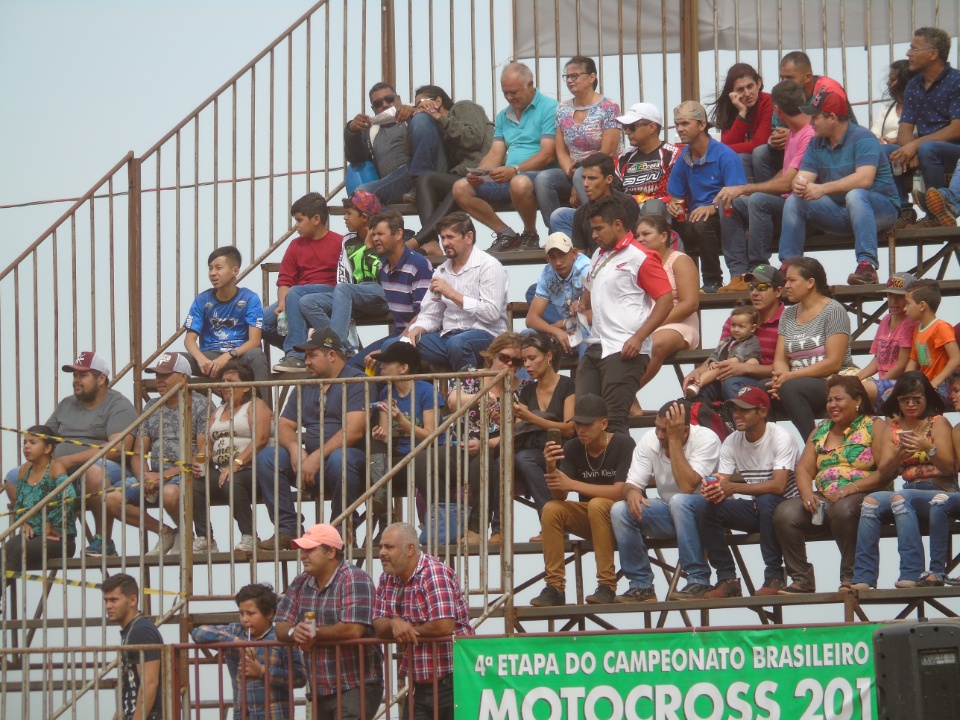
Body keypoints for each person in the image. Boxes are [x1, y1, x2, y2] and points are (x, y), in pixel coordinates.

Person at [255, 327, 367, 551]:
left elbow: (353, 431)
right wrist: (296, 448)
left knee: (340, 459)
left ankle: (340, 527)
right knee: (268, 457)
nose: (306, 362)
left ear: (332, 355)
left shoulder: (356, 380)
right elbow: (285, 424)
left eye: (312, 355)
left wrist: (316, 456)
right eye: (306, 356)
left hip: (350, 460)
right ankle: (287, 528)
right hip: (311, 461)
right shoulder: (306, 384)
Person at [774, 376, 887, 593]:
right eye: (829, 400)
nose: (832, 405)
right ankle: (802, 579)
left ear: (857, 400)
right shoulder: (821, 430)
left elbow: (884, 472)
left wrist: (852, 488)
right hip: (827, 498)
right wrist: (808, 494)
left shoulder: (874, 425)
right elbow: (804, 469)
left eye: (838, 399)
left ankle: (851, 576)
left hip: (864, 495)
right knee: (785, 512)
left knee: (844, 509)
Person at [779, 87, 899, 286]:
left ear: (832, 118)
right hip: (842, 213)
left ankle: (867, 266)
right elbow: (802, 177)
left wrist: (822, 189)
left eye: (815, 117)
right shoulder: (816, 142)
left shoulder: (863, 137)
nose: (811, 123)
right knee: (794, 200)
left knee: (856, 195)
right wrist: (799, 184)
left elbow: (864, 179)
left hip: (881, 210)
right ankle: (789, 266)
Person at [26, 352, 138, 559]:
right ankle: (36, 527)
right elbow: (44, 439)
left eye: (83, 375)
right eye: (74, 375)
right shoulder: (66, 404)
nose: (76, 380)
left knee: (92, 473)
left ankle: (103, 541)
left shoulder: (119, 405)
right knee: (15, 476)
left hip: (107, 469)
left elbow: (117, 448)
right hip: (61, 469)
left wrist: (68, 460)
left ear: (101, 378)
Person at [851, 372, 956, 590]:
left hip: (938, 489)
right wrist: (897, 456)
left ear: (927, 399)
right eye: (904, 400)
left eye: (917, 399)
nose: (910, 404)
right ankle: (864, 576)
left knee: (900, 498)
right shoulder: (895, 428)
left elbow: (949, 467)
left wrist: (928, 447)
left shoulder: (937, 424)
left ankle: (911, 572)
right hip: (909, 490)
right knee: (871, 503)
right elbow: (885, 471)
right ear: (897, 401)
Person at [576, 198, 672, 434]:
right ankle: (592, 472)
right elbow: (591, 285)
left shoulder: (641, 256)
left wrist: (639, 338)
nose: (594, 235)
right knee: (584, 418)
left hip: (626, 348)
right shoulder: (598, 253)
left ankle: (623, 472)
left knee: (615, 420)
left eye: (599, 228)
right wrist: (581, 303)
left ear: (617, 224)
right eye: (592, 229)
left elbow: (666, 299)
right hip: (597, 344)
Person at [529, 394, 635, 607]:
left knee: (597, 504)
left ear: (604, 423)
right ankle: (555, 587)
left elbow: (620, 492)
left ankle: (606, 586)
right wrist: (551, 467)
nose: (581, 430)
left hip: (624, 518)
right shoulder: (573, 447)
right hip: (593, 519)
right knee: (551, 508)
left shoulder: (623, 443)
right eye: (578, 424)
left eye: (587, 424)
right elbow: (560, 496)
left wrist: (573, 485)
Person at [610, 402, 722, 601]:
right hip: (670, 510)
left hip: (705, 511)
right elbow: (631, 483)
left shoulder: (706, 439)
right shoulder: (649, 440)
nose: (660, 435)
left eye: (666, 430)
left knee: (681, 501)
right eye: (658, 428)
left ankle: (698, 580)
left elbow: (687, 486)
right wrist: (633, 493)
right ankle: (641, 585)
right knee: (620, 510)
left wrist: (674, 440)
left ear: (684, 430)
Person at [698, 387, 800, 597]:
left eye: (744, 409)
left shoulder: (781, 437)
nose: (737, 415)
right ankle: (727, 578)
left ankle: (774, 576)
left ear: (762, 412)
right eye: (734, 409)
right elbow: (723, 481)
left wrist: (733, 487)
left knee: (767, 500)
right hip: (761, 508)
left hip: (791, 509)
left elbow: (779, 486)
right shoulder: (732, 441)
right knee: (705, 508)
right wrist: (713, 488)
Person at [106, 352, 210, 557]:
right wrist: (144, 477)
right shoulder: (152, 406)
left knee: (170, 494)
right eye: (157, 376)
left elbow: (202, 453)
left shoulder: (201, 404)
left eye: (165, 375)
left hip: (187, 474)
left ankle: (185, 534)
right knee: (111, 498)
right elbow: (138, 452)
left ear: (183, 377)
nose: (158, 381)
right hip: (153, 477)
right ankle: (166, 532)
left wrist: (164, 475)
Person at [276, 524, 383, 720]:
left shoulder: (355, 578)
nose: (303, 555)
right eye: (302, 550)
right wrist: (294, 632)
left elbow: (353, 629)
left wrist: (311, 633)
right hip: (321, 688)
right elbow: (281, 625)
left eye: (310, 549)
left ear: (331, 551)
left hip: (357, 685)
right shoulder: (300, 582)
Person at [714, 80, 816, 281]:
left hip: (805, 206)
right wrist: (743, 191)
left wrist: (745, 188)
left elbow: (789, 183)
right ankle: (738, 275)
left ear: (777, 110)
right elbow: (786, 173)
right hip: (786, 201)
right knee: (731, 202)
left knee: (759, 200)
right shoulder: (794, 131)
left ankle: (758, 269)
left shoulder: (809, 134)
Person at [452, 63, 559, 251]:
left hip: (539, 177)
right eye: (505, 93)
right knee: (461, 187)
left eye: (514, 92)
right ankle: (505, 233)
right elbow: (495, 153)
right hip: (509, 175)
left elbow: (548, 153)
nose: (509, 98)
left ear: (530, 85)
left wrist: (516, 170)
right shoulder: (503, 115)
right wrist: (479, 174)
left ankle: (530, 233)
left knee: (519, 182)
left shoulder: (550, 108)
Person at [373, 522, 474, 720]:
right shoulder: (387, 578)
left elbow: (444, 625)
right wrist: (394, 623)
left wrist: (406, 628)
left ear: (410, 549)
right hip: (421, 683)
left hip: (455, 680)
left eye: (389, 547)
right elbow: (378, 623)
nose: (382, 552)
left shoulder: (434, 573)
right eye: (381, 547)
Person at [383, 212, 508, 370]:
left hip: (487, 334)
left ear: (469, 237)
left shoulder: (489, 266)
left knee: (458, 344)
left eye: (450, 237)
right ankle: (422, 393)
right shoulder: (441, 271)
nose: (445, 243)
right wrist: (416, 330)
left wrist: (452, 294)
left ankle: (466, 392)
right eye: (442, 238)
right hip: (447, 336)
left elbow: (491, 313)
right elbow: (430, 314)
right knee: (400, 348)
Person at [369, 342, 454, 543]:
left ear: (404, 368)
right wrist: (381, 435)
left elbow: (430, 435)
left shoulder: (425, 391)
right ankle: (385, 515)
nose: (382, 367)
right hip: (404, 458)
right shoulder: (386, 393)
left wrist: (401, 421)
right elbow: (387, 435)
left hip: (430, 455)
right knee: (372, 450)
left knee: (419, 462)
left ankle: (433, 524)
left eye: (387, 363)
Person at [446, 332, 525, 544]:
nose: (509, 364)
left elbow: (520, 431)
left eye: (516, 361)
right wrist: (482, 394)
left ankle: (479, 529)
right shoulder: (470, 375)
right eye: (504, 358)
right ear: (492, 356)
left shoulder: (523, 388)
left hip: (497, 446)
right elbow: (453, 401)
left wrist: (484, 444)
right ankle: (438, 526)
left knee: (489, 460)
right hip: (459, 444)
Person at [666, 100, 748, 293]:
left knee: (702, 224)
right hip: (695, 216)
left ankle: (713, 281)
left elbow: (736, 196)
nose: (680, 129)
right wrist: (674, 205)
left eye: (685, 123)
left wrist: (712, 208)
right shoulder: (683, 158)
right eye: (677, 124)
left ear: (702, 125)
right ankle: (672, 283)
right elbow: (675, 196)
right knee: (663, 223)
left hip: (724, 218)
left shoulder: (725, 155)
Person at [297, 190, 390, 361]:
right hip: (352, 295)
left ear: (364, 217)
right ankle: (342, 345)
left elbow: (383, 275)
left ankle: (334, 347)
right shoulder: (348, 240)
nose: (345, 218)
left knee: (344, 289)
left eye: (349, 213)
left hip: (382, 294)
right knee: (307, 302)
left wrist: (369, 247)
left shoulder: (382, 237)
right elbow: (344, 276)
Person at [191, 583, 307, 720]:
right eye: (241, 613)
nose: (245, 619)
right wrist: (235, 642)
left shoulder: (281, 638)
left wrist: (262, 671)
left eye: (251, 613)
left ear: (269, 613)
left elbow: (299, 678)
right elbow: (198, 632)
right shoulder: (236, 632)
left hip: (276, 715)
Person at [768, 257, 854, 440]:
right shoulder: (788, 314)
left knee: (790, 388)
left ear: (810, 283)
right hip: (794, 382)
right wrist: (779, 379)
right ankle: (770, 453)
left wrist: (789, 377)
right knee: (757, 391)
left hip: (830, 380)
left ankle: (813, 445)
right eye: (786, 281)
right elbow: (781, 359)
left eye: (792, 280)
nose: (786, 286)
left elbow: (834, 362)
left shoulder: (833, 310)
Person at [193, 362, 271, 554]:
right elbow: (208, 446)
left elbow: (260, 439)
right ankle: (205, 538)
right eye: (222, 381)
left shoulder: (255, 406)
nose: (225, 385)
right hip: (223, 470)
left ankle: (249, 535)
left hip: (252, 469)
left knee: (231, 480)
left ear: (245, 386)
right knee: (193, 482)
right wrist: (200, 460)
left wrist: (236, 464)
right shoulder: (218, 412)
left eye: (231, 381)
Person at [407, 85, 495, 255]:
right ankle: (431, 242)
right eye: (416, 105)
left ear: (438, 101)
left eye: (422, 103)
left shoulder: (463, 107)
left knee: (444, 184)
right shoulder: (439, 130)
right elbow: (410, 151)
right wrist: (415, 118)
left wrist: (437, 115)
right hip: (461, 177)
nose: (420, 108)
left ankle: (420, 239)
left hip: (483, 174)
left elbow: (473, 138)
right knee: (425, 179)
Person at [262, 194, 344, 372]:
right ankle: (305, 349)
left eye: (299, 220)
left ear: (316, 219)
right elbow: (285, 280)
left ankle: (295, 356)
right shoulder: (295, 245)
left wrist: (291, 295)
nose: (296, 225)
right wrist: (283, 303)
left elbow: (345, 280)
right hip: (295, 295)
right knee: (261, 321)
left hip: (328, 293)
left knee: (296, 293)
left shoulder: (340, 242)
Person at [535, 56, 622, 224]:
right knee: (543, 179)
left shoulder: (609, 107)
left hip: (603, 171)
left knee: (581, 174)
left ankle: (597, 224)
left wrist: (580, 179)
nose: (569, 80)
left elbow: (607, 153)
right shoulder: (562, 108)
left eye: (574, 76)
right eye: (567, 77)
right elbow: (561, 149)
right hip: (574, 171)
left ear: (591, 77)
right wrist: (570, 171)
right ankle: (558, 233)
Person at [888, 27, 960, 226]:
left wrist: (916, 146)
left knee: (929, 149)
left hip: (953, 152)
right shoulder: (914, 84)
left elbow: (957, 128)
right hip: (925, 150)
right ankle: (904, 210)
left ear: (933, 54)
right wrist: (909, 149)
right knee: (886, 152)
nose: (908, 53)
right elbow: (904, 130)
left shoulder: (957, 81)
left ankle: (935, 214)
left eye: (914, 49)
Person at [682, 264, 785, 402]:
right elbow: (721, 352)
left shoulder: (787, 321)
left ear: (778, 292)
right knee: (696, 395)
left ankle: (740, 422)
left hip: (766, 382)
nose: (754, 292)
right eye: (751, 287)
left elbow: (785, 368)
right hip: (730, 374)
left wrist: (745, 368)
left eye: (761, 287)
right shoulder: (736, 319)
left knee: (732, 384)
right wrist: (698, 372)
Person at [183, 245, 270, 400]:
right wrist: (201, 359)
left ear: (235, 271)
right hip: (210, 356)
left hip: (239, 356)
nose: (213, 273)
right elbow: (189, 340)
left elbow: (255, 341)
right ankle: (191, 410)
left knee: (257, 355)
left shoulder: (250, 298)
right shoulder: (202, 300)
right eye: (210, 269)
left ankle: (264, 410)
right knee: (175, 360)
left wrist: (227, 356)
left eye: (218, 268)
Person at [752, 51, 853, 184]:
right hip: (794, 146)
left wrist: (795, 133)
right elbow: (777, 127)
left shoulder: (827, 90)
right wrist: (776, 138)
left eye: (789, 78)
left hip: (825, 146)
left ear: (807, 77)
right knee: (761, 153)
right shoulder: (784, 92)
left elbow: (836, 128)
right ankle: (769, 196)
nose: (784, 82)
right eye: (782, 77)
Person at [513, 333, 576, 535]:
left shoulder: (567, 385)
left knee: (524, 459)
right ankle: (552, 522)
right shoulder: (527, 391)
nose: (527, 365)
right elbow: (519, 428)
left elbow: (569, 428)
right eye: (524, 361)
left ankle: (552, 524)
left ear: (548, 357)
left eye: (532, 358)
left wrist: (532, 418)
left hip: (561, 450)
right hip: (535, 450)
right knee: (515, 460)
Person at [633, 214, 700, 402]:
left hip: (678, 324)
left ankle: (622, 394)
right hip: (645, 325)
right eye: (637, 236)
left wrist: (654, 324)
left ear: (663, 237)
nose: (640, 239)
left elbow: (690, 303)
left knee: (654, 343)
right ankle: (630, 402)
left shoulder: (680, 260)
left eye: (646, 233)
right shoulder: (637, 264)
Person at [345, 82, 446, 205]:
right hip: (392, 183)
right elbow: (355, 158)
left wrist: (415, 112)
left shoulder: (418, 115)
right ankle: (390, 223)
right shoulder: (370, 132)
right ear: (373, 109)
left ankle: (420, 182)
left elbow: (440, 133)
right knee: (361, 196)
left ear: (398, 99)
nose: (385, 105)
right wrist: (352, 131)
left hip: (418, 172)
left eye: (389, 99)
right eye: (378, 104)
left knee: (363, 193)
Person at [355, 211, 433, 369]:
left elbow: (423, 315)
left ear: (398, 234)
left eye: (380, 234)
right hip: (398, 335)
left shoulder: (419, 265)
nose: (375, 238)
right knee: (352, 366)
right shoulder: (383, 266)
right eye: (374, 234)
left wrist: (392, 346)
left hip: (419, 336)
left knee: (377, 363)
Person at [2, 426, 77, 573]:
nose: (26, 446)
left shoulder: (56, 467)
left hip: (58, 539)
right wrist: (24, 521)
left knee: (19, 552)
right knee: (4, 551)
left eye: (32, 442)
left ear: (48, 448)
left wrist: (50, 523)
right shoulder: (24, 470)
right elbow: (19, 504)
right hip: (33, 535)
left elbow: (69, 496)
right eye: (24, 443)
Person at [551, 152, 641, 255]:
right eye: (584, 178)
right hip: (595, 265)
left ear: (609, 179)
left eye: (592, 178)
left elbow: (632, 246)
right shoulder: (580, 213)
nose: (585, 184)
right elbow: (580, 255)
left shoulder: (627, 204)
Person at [103, 573, 163, 720]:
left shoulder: (141, 631)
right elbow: (129, 689)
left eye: (114, 600)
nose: (108, 606)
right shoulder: (131, 631)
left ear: (133, 600)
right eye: (106, 600)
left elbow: (149, 683)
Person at [524, 232, 591, 355]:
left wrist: (567, 324)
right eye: (553, 257)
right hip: (565, 329)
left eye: (562, 255)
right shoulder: (546, 275)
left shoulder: (586, 269)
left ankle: (584, 374)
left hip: (589, 327)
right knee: (526, 335)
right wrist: (556, 330)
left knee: (585, 331)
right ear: (547, 259)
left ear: (574, 253)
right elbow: (531, 319)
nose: (558, 262)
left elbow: (599, 314)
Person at [858, 273, 919, 404]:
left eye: (899, 297)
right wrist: (857, 378)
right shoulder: (885, 319)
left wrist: (879, 382)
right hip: (884, 380)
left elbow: (901, 365)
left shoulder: (911, 323)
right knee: (846, 386)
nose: (893, 301)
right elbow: (878, 359)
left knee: (856, 392)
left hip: (901, 382)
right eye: (890, 295)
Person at [872, 61, 919, 227]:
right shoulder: (887, 108)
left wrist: (896, 140)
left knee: (887, 153)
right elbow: (874, 132)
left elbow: (922, 131)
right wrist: (878, 140)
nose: (887, 83)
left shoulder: (919, 104)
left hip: (911, 149)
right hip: (884, 150)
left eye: (892, 80)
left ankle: (904, 207)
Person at [614, 102, 679, 220]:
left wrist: (639, 203)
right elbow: (613, 193)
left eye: (632, 126)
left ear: (652, 128)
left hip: (658, 214)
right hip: (626, 212)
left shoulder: (672, 155)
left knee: (652, 207)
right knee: (569, 214)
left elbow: (672, 195)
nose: (627, 131)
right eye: (625, 127)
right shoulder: (623, 158)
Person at [712, 63, 773, 181]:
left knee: (754, 154)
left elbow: (758, 144)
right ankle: (743, 197)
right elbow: (727, 144)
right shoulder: (731, 109)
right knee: (738, 158)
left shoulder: (768, 102)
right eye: (740, 90)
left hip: (769, 162)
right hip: (747, 162)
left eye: (750, 86)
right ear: (732, 93)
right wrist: (742, 113)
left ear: (758, 83)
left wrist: (719, 150)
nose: (746, 93)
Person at [684, 306, 761, 400]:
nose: (736, 329)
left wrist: (725, 363)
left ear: (753, 328)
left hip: (744, 371)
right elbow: (717, 353)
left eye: (741, 326)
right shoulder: (727, 341)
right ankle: (697, 386)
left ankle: (699, 384)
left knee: (753, 361)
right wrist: (713, 361)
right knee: (716, 368)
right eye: (733, 325)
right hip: (727, 368)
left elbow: (742, 356)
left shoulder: (752, 341)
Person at [904, 279, 960, 397]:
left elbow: (956, 358)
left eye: (908, 303)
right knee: (895, 398)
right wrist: (902, 386)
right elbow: (912, 362)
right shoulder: (917, 330)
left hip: (942, 385)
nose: (905, 309)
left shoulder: (941, 327)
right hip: (926, 384)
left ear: (922, 305)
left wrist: (935, 382)